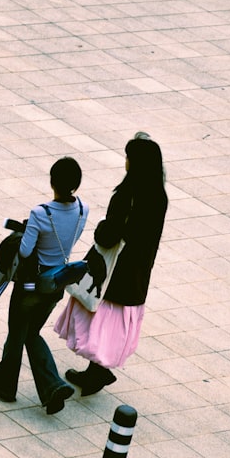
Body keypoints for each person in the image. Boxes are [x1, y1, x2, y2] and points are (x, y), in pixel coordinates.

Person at [54, 133, 167, 396]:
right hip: (137, 271)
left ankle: (99, 371)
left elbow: (110, 234)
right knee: (112, 321)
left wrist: (100, 230)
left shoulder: (128, 194)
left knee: (100, 315)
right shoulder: (158, 196)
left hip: (115, 270)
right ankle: (96, 372)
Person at [0, 157, 89, 414]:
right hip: (56, 284)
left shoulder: (41, 213)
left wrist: (29, 230)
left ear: (52, 181)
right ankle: (50, 388)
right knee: (30, 332)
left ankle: (4, 384)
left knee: (17, 330)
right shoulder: (83, 209)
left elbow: (26, 250)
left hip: (30, 286)